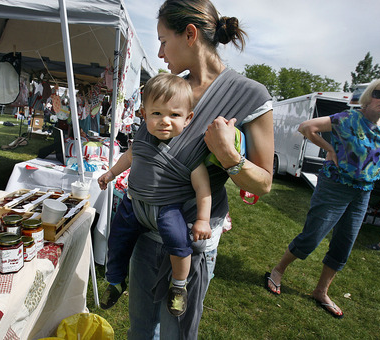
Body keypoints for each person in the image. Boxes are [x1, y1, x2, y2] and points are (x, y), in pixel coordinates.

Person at [124, 1, 274, 338]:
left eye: (163, 41)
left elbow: (263, 184)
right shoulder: (167, 92)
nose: (160, 53)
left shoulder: (249, 95)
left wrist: (228, 154)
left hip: (192, 241)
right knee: (140, 329)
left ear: (189, 34)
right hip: (146, 233)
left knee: (177, 333)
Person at [265, 75, 380, 319]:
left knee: (345, 242)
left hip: (363, 190)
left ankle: (321, 291)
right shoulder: (349, 118)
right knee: (312, 236)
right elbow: (306, 127)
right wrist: (330, 150)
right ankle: (277, 271)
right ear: (370, 94)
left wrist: (375, 159)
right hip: (335, 185)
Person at [97, 73, 212, 317]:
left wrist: (202, 219)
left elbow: (203, 188)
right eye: (156, 113)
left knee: (180, 243)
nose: (164, 121)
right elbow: (129, 157)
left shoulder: (190, 150)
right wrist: (110, 173)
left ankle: (179, 287)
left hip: (167, 208)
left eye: (174, 115)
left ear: (188, 118)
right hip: (133, 204)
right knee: (117, 239)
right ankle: (116, 280)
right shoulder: (141, 137)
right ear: (144, 114)